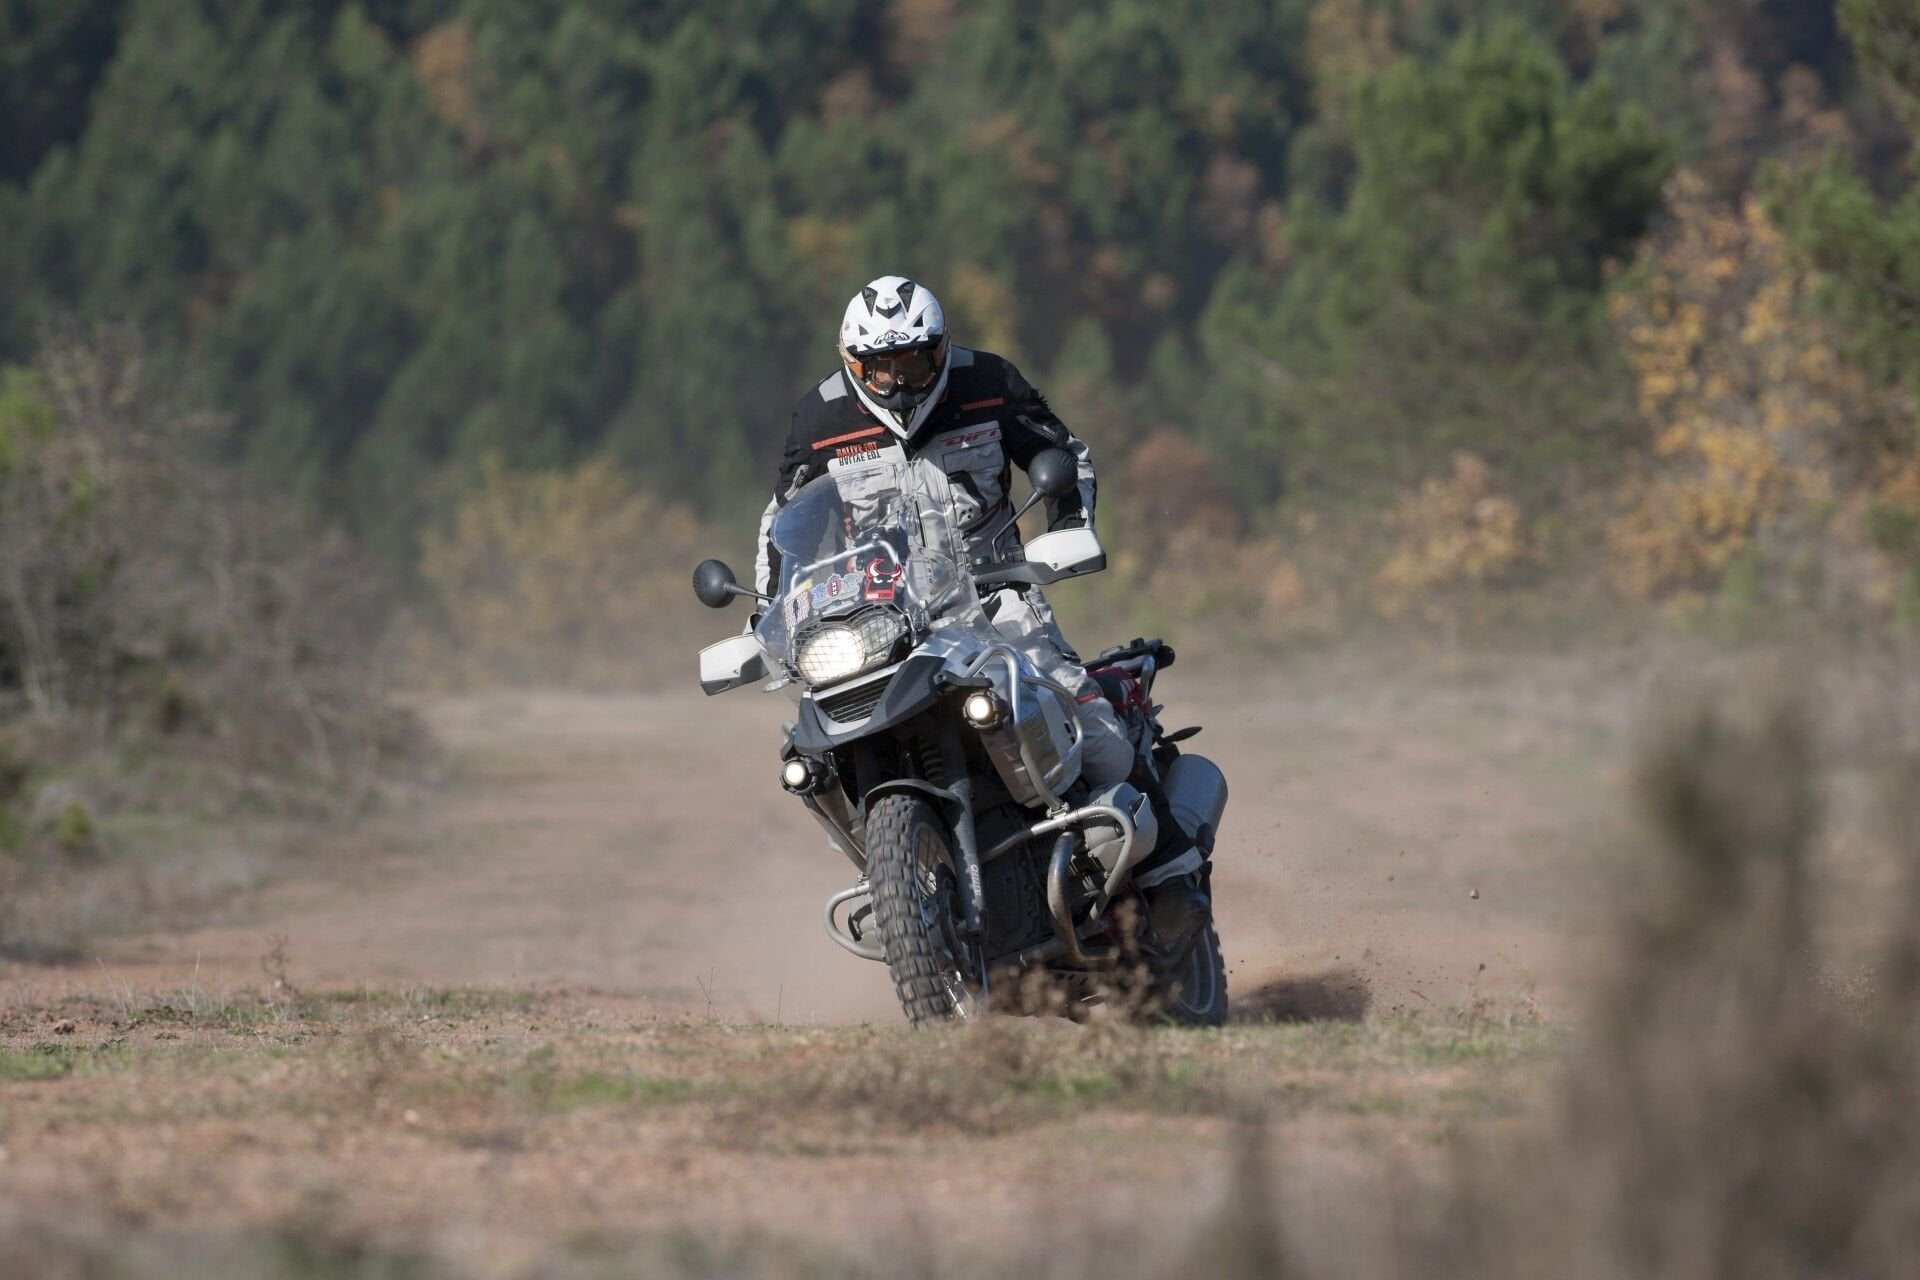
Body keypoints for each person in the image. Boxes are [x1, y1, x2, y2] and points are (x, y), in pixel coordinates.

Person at [754, 275, 1208, 937]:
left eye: (914, 362)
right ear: (853, 363)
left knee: (1087, 715)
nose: (899, 381)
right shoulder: (820, 418)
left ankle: (1170, 872)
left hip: (995, 599)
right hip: (884, 621)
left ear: (940, 350)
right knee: (814, 757)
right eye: (881, 367)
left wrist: (1069, 529)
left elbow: (1061, 455)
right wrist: (771, 613)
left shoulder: (987, 382)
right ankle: (896, 884)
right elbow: (784, 522)